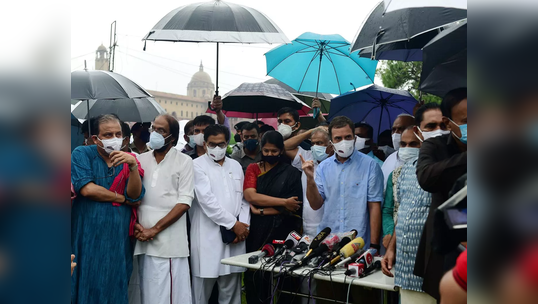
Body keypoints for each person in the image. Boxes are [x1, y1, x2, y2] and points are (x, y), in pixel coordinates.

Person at [301, 116, 383, 303]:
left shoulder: (370, 165)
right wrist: (310, 179)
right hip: (329, 248)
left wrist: (374, 247)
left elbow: (374, 206)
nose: (343, 142)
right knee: (329, 297)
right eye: (338, 138)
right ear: (331, 142)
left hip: (359, 247)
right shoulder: (323, 168)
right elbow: (315, 204)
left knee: (363, 298)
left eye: (347, 137)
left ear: (354, 137)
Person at [71, 114, 145, 304]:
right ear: (96, 138)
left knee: (115, 280)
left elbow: (135, 196)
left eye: (118, 134)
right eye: (108, 134)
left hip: (118, 237)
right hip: (87, 234)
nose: (114, 138)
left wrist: (133, 167)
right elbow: (87, 189)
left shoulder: (129, 159)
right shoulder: (82, 154)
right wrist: (121, 198)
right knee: (86, 278)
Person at [134, 114, 194, 304]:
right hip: (141, 238)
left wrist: (154, 229)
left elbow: (184, 202)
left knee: (166, 295)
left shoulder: (184, 162)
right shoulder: (140, 159)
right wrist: (137, 226)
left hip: (168, 243)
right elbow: (134, 197)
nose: (155, 133)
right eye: (154, 128)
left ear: (173, 138)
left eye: (161, 131)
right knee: (144, 291)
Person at [414, 88, 467, 301]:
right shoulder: (433, 146)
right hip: (447, 248)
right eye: (468, 120)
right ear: (448, 123)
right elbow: (427, 178)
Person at [190, 124, 250, 304]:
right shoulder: (196, 165)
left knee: (231, 291)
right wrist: (234, 224)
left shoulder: (236, 165)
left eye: (222, 144)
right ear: (205, 144)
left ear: (227, 143)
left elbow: (244, 199)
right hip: (207, 237)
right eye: (212, 144)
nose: (217, 148)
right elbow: (206, 201)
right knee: (200, 293)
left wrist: (244, 226)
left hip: (236, 238)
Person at [243, 131, 303, 304]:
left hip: (284, 230)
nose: (270, 154)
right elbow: (251, 196)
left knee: (285, 274)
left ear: (281, 151)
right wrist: (283, 202)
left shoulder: (292, 173)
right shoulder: (253, 168)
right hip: (258, 231)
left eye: (274, 151)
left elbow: (294, 207)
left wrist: (262, 210)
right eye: (267, 151)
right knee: (256, 272)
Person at [381, 103, 448, 249]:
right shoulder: (401, 171)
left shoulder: (454, 165)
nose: (438, 131)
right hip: (403, 251)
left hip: (436, 250)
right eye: (431, 126)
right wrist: (391, 240)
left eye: (442, 125)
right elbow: (398, 210)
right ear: (419, 131)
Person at [381, 126, 436, 304]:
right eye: (403, 144)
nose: (407, 148)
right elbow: (397, 211)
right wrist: (391, 247)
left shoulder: (448, 168)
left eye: (413, 144)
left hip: (436, 266)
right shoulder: (403, 171)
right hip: (406, 266)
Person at [283, 125, 333, 236]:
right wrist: (310, 131)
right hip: (309, 225)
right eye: (313, 143)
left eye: (319, 143)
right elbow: (284, 147)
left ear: (330, 144)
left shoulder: (337, 164)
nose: (315, 147)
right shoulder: (307, 158)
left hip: (331, 226)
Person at [381, 114, 416, 189]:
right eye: (393, 130)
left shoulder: (421, 159)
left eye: (401, 129)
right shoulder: (389, 159)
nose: (396, 133)